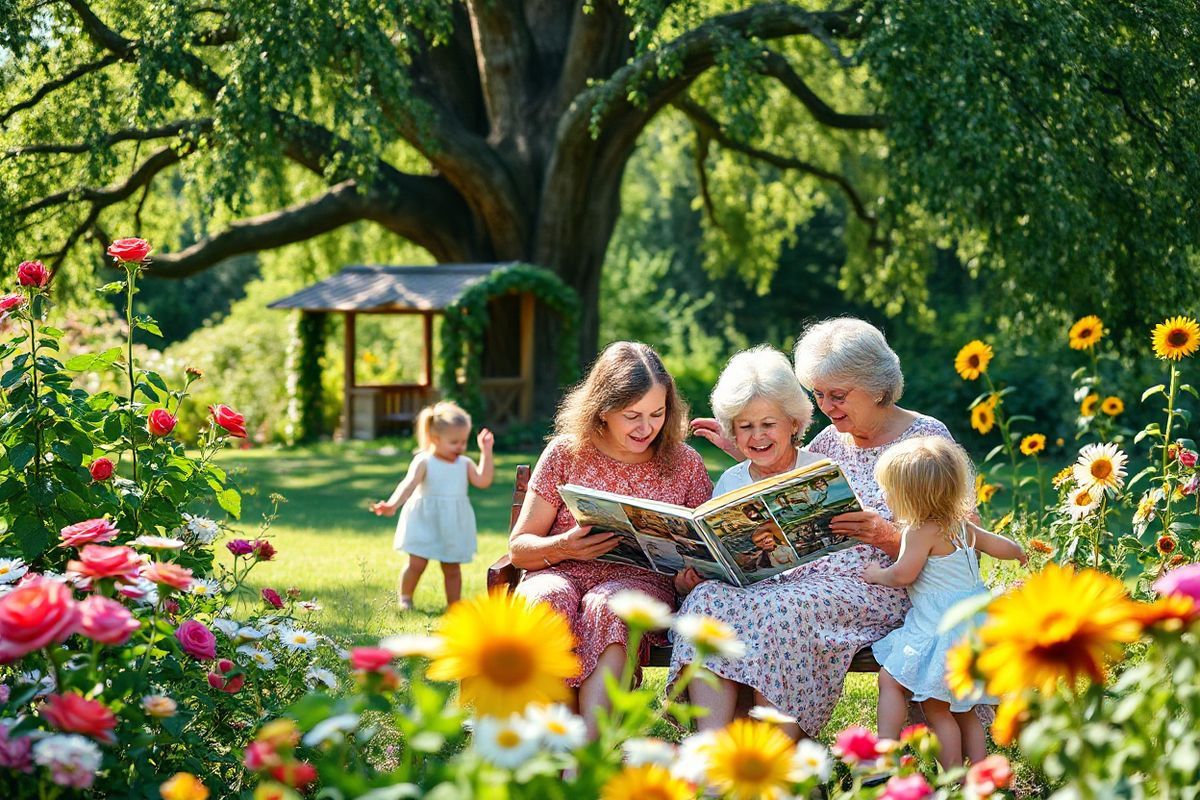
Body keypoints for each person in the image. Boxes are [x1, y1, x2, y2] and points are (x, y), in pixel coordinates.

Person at [678, 318, 957, 739]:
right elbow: (783, 478)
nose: (828, 406)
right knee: (708, 599)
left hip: (883, 586)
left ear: (877, 385)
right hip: (804, 583)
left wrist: (884, 534)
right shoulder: (831, 440)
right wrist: (744, 441)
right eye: (820, 395)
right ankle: (713, 754)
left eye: (839, 395)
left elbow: (959, 542)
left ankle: (776, 758)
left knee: (780, 612)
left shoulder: (925, 439)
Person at [507, 341, 712, 739]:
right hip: (561, 569)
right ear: (603, 409)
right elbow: (519, 549)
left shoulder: (685, 463)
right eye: (631, 415)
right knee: (545, 598)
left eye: (658, 413)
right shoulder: (567, 454)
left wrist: (691, 577)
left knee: (610, 606)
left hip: (641, 583)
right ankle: (558, 742)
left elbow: (702, 548)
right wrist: (562, 546)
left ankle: (586, 755)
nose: (646, 428)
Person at [865, 436, 1026, 768]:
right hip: (977, 631)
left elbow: (903, 575)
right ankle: (981, 776)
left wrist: (877, 574)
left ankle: (928, 771)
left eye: (889, 490)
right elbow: (1000, 546)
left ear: (909, 496)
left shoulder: (919, 532)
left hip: (943, 629)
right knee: (963, 709)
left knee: (915, 696)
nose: (885, 497)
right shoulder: (962, 526)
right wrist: (1019, 552)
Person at [370, 401, 494, 610]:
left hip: (452, 523)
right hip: (424, 520)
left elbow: (483, 481)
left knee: (452, 568)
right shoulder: (424, 461)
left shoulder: (464, 463)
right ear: (434, 439)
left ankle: (454, 606)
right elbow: (407, 485)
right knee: (417, 563)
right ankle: (405, 599)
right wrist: (392, 504)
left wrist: (486, 452)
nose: (461, 447)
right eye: (454, 442)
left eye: (464, 441)